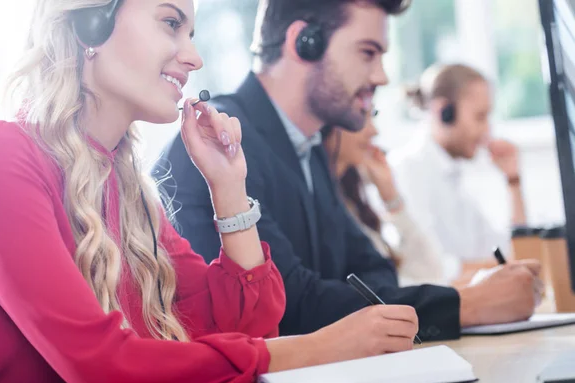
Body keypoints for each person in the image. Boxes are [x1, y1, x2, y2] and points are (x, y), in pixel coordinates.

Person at [0, 1, 421, 383]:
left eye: (191, 34)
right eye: (171, 23)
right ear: (91, 24)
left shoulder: (129, 191)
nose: (194, 57)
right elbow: (106, 373)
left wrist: (229, 188)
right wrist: (320, 348)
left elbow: (246, 329)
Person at [161, 0, 542, 341]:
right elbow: (292, 307)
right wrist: (467, 305)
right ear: (303, 42)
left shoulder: (307, 149)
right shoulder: (217, 144)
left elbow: (373, 269)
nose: (381, 77)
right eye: (368, 53)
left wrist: (339, 301)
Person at [388, 63, 528, 280]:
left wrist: (513, 181)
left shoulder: (453, 178)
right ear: (444, 112)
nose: (486, 131)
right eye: (480, 117)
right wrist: (509, 269)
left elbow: (509, 250)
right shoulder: (406, 172)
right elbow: (435, 268)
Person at [322, 110, 448, 286]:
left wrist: (391, 198)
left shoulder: (353, 204)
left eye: (371, 117)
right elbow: (396, 289)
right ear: (326, 125)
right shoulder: (323, 209)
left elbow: (431, 271)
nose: (374, 131)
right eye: (361, 116)